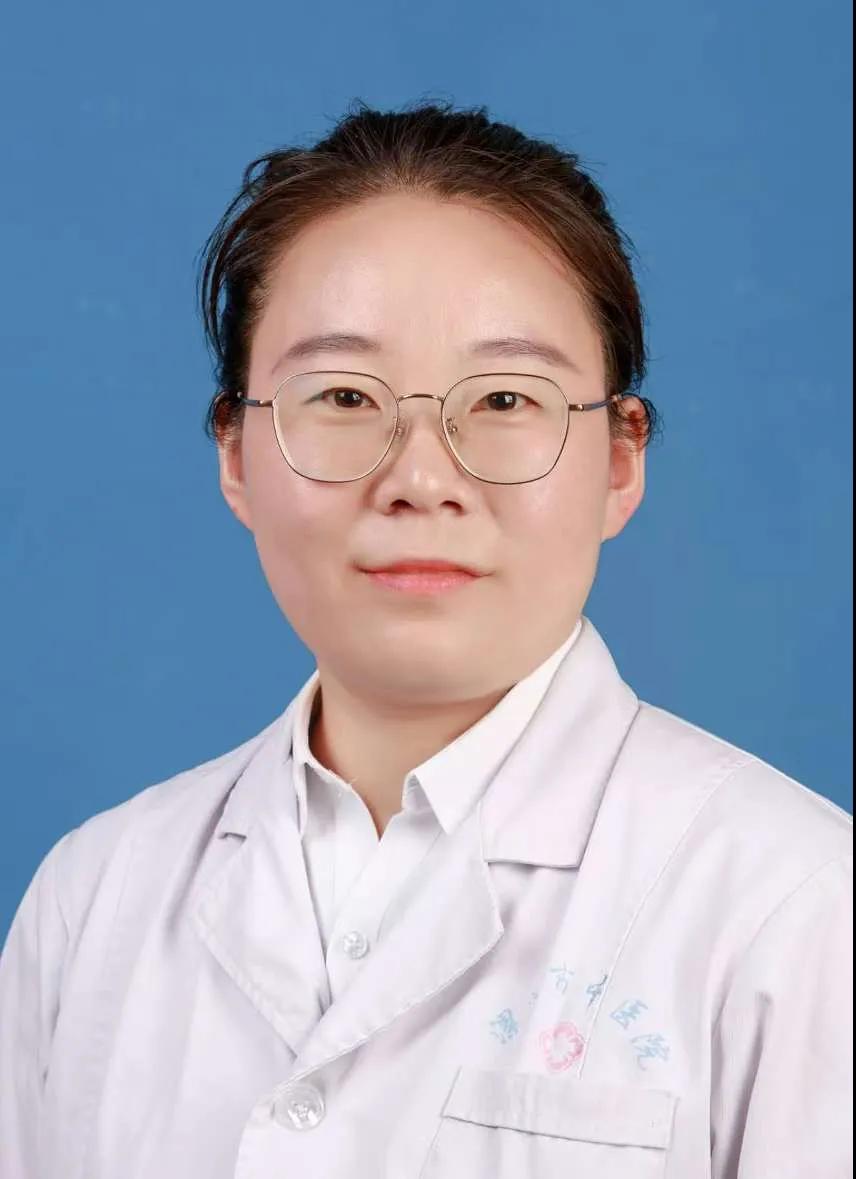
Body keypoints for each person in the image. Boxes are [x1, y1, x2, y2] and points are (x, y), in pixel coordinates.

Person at [0, 100, 851, 1179]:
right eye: (342, 395)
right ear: (234, 453)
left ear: (620, 461)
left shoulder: (797, 905)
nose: (419, 479)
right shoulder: (96, 898)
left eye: (504, 398)